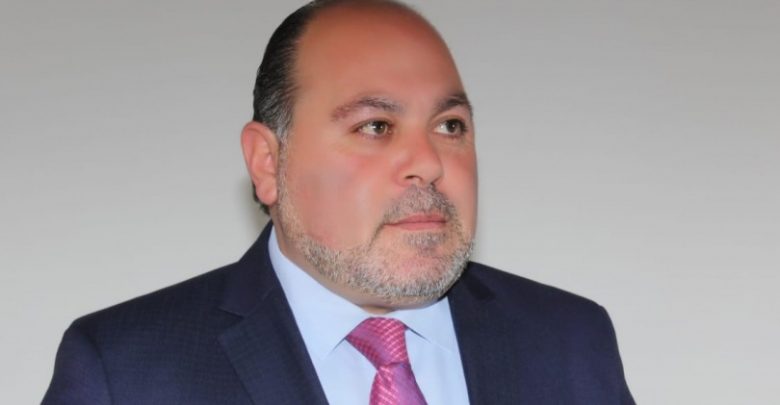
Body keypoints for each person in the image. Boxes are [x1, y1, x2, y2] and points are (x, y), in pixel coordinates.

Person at [43, 1, 634, 404]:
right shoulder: (124, 370)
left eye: (450, 125)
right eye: (376, 126)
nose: (430, 162)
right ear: (268, 163)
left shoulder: (569, 340)